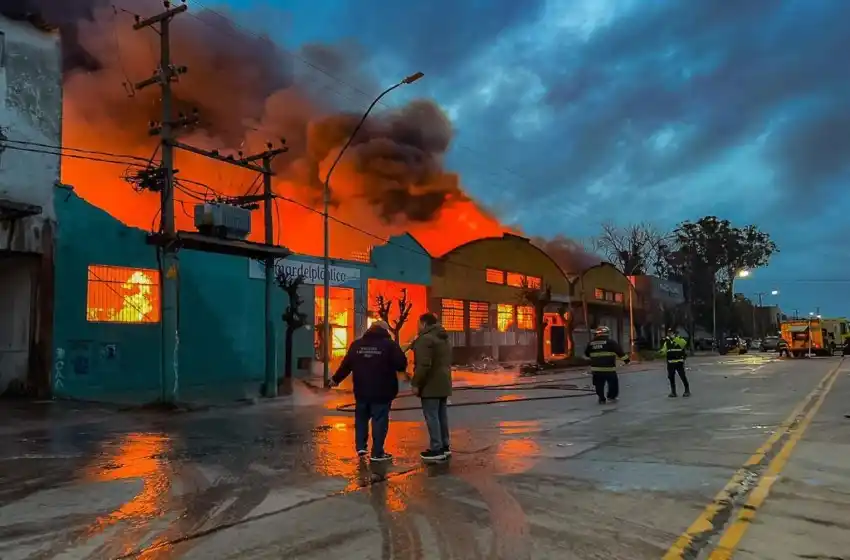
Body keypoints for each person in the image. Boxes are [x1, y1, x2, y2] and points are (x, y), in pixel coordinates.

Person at [329, 320, 407, 463]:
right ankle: (377, 452)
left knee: (361, 419)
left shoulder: (357, 345)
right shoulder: (390, 345)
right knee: (379, 420)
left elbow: (346, 365)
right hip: (382, 391)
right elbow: (401, 364)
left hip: (361, 390)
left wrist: (335, 380)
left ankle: (361, 447)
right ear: (385, 330)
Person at [410, 312, 453, 462]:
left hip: (430, 385)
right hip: (443, 382)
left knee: (432, 416)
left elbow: (423, 365)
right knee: (441, 415)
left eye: (418, 324)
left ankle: (436, 448)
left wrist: (416, 383)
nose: (417, 327)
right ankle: (445, 446)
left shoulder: (425, 339)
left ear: (424, 324)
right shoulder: (443, 338)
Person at [584, 326, 629, 404]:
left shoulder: (591, 343)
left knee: (599, 385)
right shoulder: (611, 342)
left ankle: (601, 398)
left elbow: (587, 354)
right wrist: (626, 360)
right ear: (606, 333)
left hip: (596, 369)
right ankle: (611, 397)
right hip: (609, 369)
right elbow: (620, 352)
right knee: (613, 383)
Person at [660, 329, 690, 398]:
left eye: (671, 333)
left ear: (674, 334)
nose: (670, 334)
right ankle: (673, 392)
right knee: (671, 377)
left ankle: (687, 390)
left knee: (682, 376)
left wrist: (675, 338)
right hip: (670, 363)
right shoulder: (667, 342)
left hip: (679, 362)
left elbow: (683, 343)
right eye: (669, 333)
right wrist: (660, 352)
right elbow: (664, 350)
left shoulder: (679, 339)